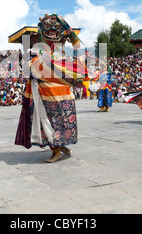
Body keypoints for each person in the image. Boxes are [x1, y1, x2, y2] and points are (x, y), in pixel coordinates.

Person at [15, 13, 88, 163]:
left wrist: (65, 23)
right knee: (49, 121)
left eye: (56, 28)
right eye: (48, 28)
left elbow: (76, 43)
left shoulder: (61, 51)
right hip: (44, 92)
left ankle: (61, 146)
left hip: (62, 92)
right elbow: (28, 71)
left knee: (64, 121)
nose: (52, 31)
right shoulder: (35, 50)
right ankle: (56, 150)